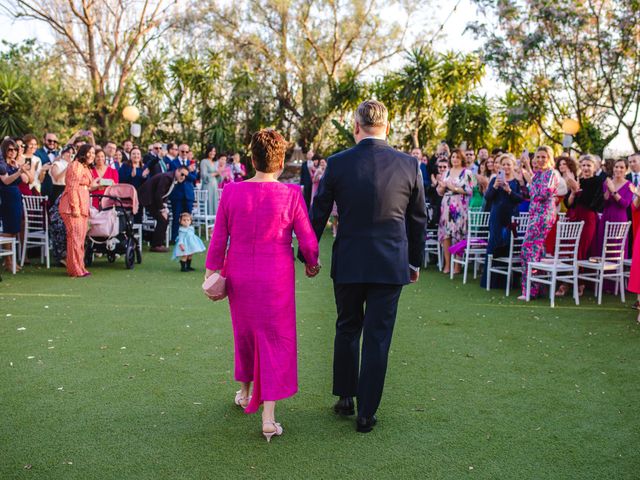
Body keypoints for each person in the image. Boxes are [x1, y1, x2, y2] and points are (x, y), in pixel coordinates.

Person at [308, 100, 427, 433]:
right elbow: (418, 219)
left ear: (355, 126)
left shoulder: (337, 163)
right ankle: (365, 413)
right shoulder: (409, 165)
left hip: (349, 260)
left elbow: (319, 211)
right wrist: (415, 260)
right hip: (391, 263)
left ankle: (346, 397)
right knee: (377, 337)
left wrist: (309, 253)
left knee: (347, 326)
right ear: (387, 127)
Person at [205, 129, 319, 442]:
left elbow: (218, 239)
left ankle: (244, 392)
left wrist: (211, 271)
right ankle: (268, 417)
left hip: (240, 274)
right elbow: (308, 240)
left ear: (252, 158)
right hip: (277, 278)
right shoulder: (292, 195)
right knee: (274, 339)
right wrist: (312, 263)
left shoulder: (231, 192)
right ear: (281, 161)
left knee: (245, 333)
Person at [518, 146, 559, 300]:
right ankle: (537, 289)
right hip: (535, 214)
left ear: (549, 158)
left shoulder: (551, 174)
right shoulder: (539, 174)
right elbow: (533, 192)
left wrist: (531, 183)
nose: (541, 160)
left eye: (544, 157)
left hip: (543, 215)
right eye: (538, 157)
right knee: (537, 250)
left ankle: (529, 290)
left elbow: (541, 194)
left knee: (527, 249)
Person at [480, 154, 524, 289]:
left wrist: (509, 191)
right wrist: (494, 186)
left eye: (508, 164)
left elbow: (520, 199)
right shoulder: (494, 179)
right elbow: (487, 197)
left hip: (510, 217)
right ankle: (490, 282)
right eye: (503, 164)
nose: (506, 167)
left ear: (513, 166)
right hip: (496, 216)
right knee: (494, 245)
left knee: (507, 246)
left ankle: (506, 282)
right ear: (500, 166)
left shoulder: (517, 181)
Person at [59, 144, 99, 277]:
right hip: (72, 208)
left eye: (94, 153)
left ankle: (80, 267)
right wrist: (75, 207)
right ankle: (74, 269)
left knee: (80, 239)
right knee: (75, 239)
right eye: (90, 153)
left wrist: (98, 186)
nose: (92, 155)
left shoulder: (86, 167)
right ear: (83, 153)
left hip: (83, 206)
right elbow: (72, 187)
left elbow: (86, 187)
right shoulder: (76, 165)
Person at [437, 148, 474, 274]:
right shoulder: (445, 172)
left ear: (462, 159)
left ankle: (457, 265)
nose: (455, 159)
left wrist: (453, 188)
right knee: (446, 235)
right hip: (446, 205)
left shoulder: (467, 173)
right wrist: (442, 188)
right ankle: (447, 265)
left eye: (457, 157)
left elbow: (470, 190)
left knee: (459, 235)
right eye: (453, 157)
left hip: (460, 207)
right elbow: (440, 191)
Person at [0, 139, 33, 271]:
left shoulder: (15, 165)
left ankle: (10, 259)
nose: (13, 152)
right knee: (8, 230)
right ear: (4, 150)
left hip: (16, 198)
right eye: (10, 149)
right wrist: (19, 172)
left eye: (15, 149)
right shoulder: (2, 165)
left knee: (14, 229)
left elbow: (29, 180)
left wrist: (21, 169)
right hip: (6, 197)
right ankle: (8, 261)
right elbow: (6, 181)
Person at [138, 167, 188, 252]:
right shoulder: (167, 177)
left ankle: (158, 242)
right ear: (177, 171)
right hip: (147, 198)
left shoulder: (173, 178)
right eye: (182, 174)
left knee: (165, 219)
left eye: (185, 176)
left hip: (153, 199)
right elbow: (158, 195)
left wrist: (164, 207)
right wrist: (162, 209)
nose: (183, 177)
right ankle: (156, 245)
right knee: (162, 219)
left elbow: (165, 194)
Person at [595, 158, 632, 255]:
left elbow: (625, 204)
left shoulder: (629, 185)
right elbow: (604, 203)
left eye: (621, 167)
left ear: (626, 170)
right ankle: (602, 269)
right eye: (616, 167)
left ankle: (616, 269)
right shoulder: (607, 182)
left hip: (619, 218)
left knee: (616, 246)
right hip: (606, 217)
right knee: (603, 244)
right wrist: (607, 189)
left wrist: (614, 191)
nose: (618, 169)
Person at [168, 144, 197, 242]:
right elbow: (173, 176)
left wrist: (186, 173)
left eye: (186, 151)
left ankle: (188, 238)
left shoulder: (191, 163)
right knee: (176, 217)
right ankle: (175, 238)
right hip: (177, 194)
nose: (184, 153)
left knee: (188, 217)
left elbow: (194, 178)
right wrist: (187, 171)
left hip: (188, 194)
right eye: (182, 151)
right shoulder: (173, 163)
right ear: (178, 152)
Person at [34, 132, 60, 198]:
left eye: (54, 141)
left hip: (57, 190)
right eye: (49, 140)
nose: (52, 142)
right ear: (44, 140)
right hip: (42, 189)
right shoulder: (36, 153)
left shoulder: (58, 154)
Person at [199, 146, 220, 215]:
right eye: (211, 151)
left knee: (214, 202)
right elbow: (204, 175)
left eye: (214, 151)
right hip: (207, 186)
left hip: (214, 186)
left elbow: (218, 179)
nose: (213, 153)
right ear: (208, 152)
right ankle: (208, 222)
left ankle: (214, 222)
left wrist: (221, 174)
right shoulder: (204, 161)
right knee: (209, 202)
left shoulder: (214, 163)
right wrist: (215, 173)